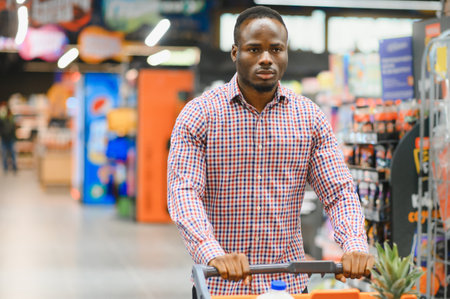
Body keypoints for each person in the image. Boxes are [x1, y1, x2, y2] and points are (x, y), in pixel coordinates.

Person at [167, 6, 374, 297]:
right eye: (254, 49)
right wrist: (212, 253)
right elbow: (184, 192)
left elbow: (338, 191)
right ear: (235, 53)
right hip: (221, 286)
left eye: (276, 49)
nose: (266, 59)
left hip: (288, 286)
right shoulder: (200, 115)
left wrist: (354, 245)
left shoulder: (309, 117)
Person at [0, 106, 18, 173]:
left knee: (12, 154)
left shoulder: (11, 120)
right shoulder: (3, 120)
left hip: (10, 140)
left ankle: (14, 167)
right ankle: (6, 167)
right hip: (5, 140)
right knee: (5, 154)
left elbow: (13, 130)